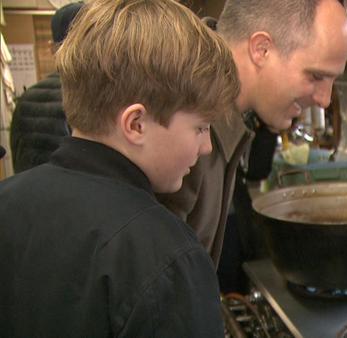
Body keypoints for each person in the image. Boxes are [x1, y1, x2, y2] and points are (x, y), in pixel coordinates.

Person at [0, 0, 239, 336]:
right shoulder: (167, 256)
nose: (207, 147)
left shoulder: (6, 201)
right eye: (200, 127)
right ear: (136, 123)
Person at [158, 0, 347, 269]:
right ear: (261, 49)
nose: (325, 100)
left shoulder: (219, 103)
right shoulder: (177, 113)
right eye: (316, 76)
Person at [9, 2, 83, 173]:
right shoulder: (96, 97)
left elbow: (17, 156)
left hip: (30, 193)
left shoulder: (25, 99)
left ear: (51, 47)